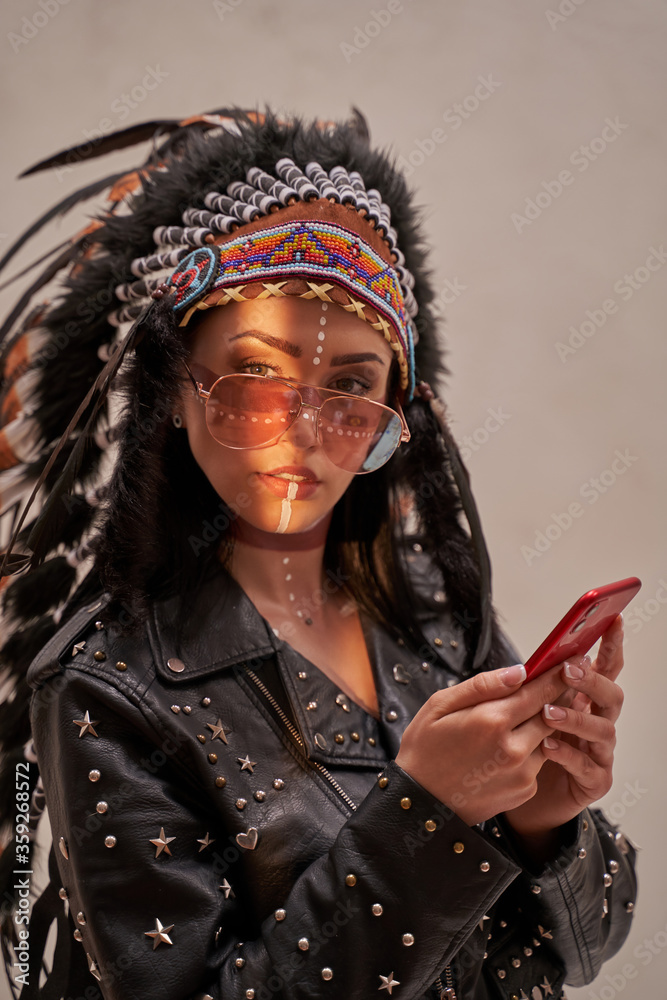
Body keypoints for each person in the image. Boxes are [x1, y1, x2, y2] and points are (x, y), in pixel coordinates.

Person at [0, 108, 637, 1000]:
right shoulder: (107, 689)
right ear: (175, 392)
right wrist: (428, 815)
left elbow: (582, 949)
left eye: (349, 388)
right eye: (256, 378)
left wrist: (546, 824)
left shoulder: (433, 621)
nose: (302, 436)